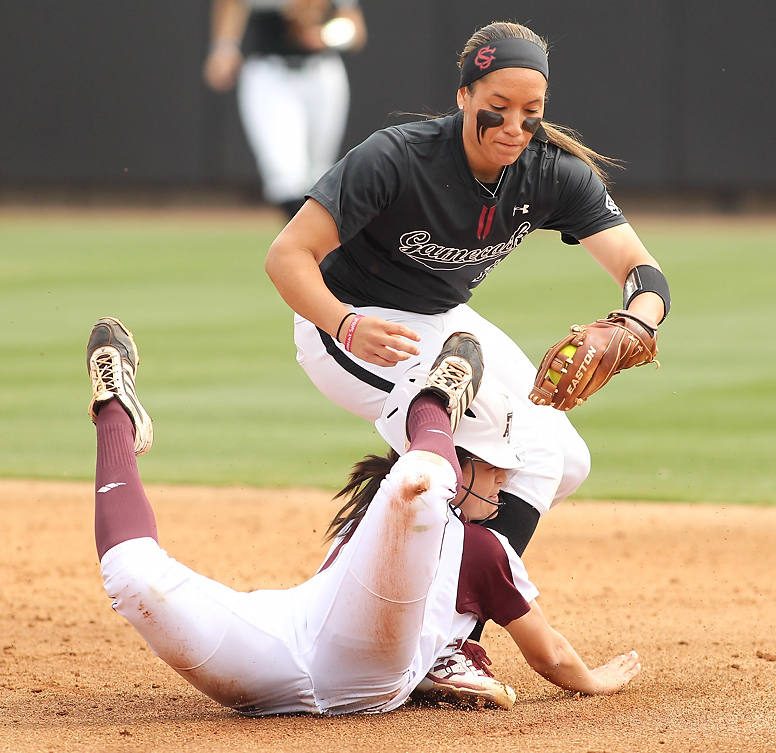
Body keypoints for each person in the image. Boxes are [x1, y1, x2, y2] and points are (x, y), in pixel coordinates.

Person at [264, 20, 670, 691]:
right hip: (351, 326)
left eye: (530, 113)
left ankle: (400, 586)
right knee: (522, 449)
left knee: (565, 458)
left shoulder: (548, 174)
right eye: (497, 108)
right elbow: (287, 256)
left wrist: (631, 322)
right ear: (462, 95)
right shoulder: (395, 158)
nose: (514, 126)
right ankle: (446, 642)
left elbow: (642, 269)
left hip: (440, 321)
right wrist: (343, 321)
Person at [86, 317, 641, 714]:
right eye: (495, 468)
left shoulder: (394, 522)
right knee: (130, 578)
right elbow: (550, 657)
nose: (503, 482)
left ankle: (115, 412)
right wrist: (596, 682)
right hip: (275, 652)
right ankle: (115, 414)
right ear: (464, 460)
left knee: (417, 496)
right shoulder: (478, 548)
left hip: (341, 664)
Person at [203, 0, 367, 218]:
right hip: (270, 72)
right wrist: (224, 47)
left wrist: (325, 35)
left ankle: (318, 247)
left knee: (320, 174)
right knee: (285, 173)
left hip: (322, 73)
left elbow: (355, 30)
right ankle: (307, 245)